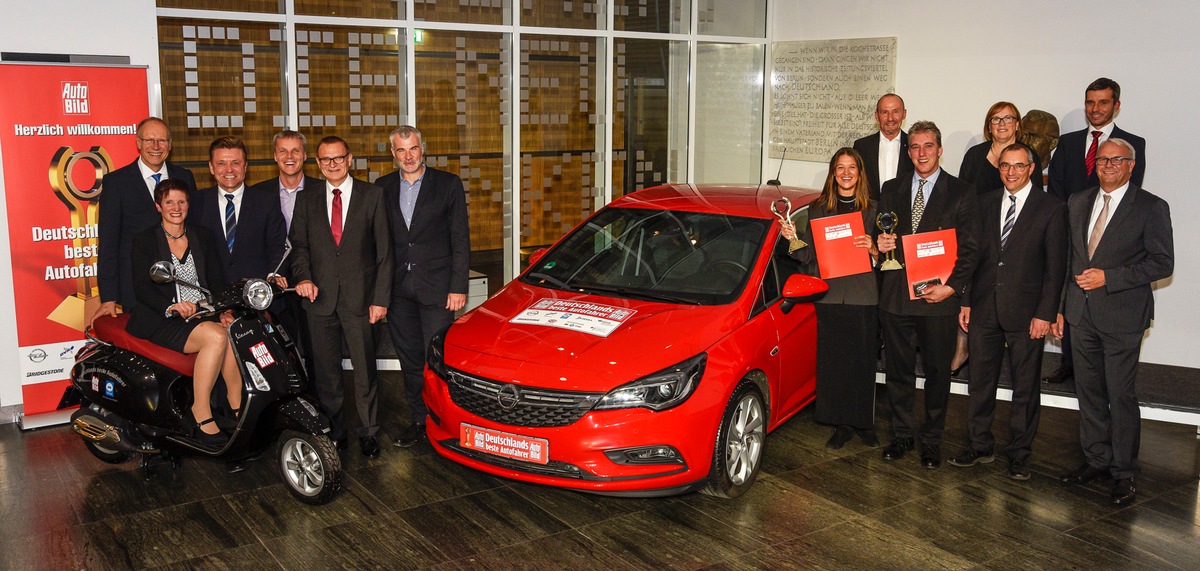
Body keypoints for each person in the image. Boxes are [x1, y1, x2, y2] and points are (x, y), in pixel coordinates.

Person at [1053, 138, 1173, 506]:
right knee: (1088, 393)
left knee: (1120, 396)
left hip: (1122, 316)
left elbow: (1161, 263)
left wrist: (1110, 277)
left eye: (1116, 159)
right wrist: (1060, 309)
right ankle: (1096, 459)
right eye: (1102, 159)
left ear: (1131, 165)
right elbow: (1070, 261)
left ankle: (1124, 472)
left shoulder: (1151, 206)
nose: (1108, 165)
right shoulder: (1078, 201)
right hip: (1080, 314)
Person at [948, 143, 1066, 480]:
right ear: (998, 169)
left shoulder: (1052, 208)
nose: (1011, 172)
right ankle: (978, 444)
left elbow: (1056, 268)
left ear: (1031, 169)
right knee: (979, 383)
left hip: (1028, 314)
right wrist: (967, 300)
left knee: (1025, 387)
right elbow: (973, 258)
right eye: (1004, 166)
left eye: (1018, 166)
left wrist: (1046, 313)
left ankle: (1019, 453)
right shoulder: (983, 204)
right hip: (983, 307)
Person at [874, 120, 980, 469]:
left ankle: (931, 440)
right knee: (898, 372)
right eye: (915, 147)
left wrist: (951, 288)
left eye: (928, 146)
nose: (921, 153)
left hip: (939, 299)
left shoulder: (962, 192)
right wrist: (881, 243)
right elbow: (882, 235)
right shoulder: (892, 188)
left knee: (937, 373)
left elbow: (971, 249)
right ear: (909, 151)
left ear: (939, 149)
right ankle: (902, 436)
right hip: (896, 297)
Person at [289, 136, 393, 458]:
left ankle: (369, 431)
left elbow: (384, 253)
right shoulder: (306, 200)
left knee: (364, 370)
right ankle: (334, 431)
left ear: (350, 159)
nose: (332, 164)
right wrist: (303, 277)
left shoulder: (372, 196)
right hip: (319, 300)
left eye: (338, 158)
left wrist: (381, 299)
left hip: (361, 299)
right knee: (327, 372)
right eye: (325, 160)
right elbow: (299, 247)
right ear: (317, 164)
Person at [1045, 78, 1147, 385]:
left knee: (1101, 300)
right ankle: (1069, 363)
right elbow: (1057, 187)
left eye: (1103, 102)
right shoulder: (1069, 141)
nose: (1095, 109)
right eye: (1090, 102)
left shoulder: (1133, 144)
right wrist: (1065, 225)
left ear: (1116, 106)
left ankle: (1100, 365)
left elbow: (1130, 191)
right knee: (1070, 294)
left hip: (1110, 236)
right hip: (1072, 230)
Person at [125, 178, 241, 446]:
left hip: (203, 313)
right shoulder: (144, 241)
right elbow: (141, 289)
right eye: (169, 202)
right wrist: (172, 306)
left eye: (181, 201)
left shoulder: (203, 235)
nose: (176, 207)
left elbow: (216, 281)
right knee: (215, 337)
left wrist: (224, 310)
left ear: (189, 204)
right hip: (163, 318)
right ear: (158, 206)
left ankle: (236, 409)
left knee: (233, 330)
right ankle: (200, 412)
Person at [376, 126, 471, 448]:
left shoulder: (448, 184)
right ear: (393, 153)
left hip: (438, 290)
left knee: (437, 360)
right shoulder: (382, 187)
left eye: (413, 149)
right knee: (410, 359)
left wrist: (458, 286)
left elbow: (460, 239)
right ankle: (419, 419)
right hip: (399, 290)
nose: (408, 156)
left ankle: (444, 421)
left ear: (422, 149)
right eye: (401, 150)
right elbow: (380, 244)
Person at [782, 148, 880, 449]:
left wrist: (873, 248)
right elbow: (809, 259)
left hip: (864, 294)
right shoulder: (818, 209)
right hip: (830, 296)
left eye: (852, 167)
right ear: (833, 173)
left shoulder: (875, 210)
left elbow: (889, 255)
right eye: (840, 168)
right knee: (835, 364)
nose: (846, 173)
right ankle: (840, 424)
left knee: (863, 363)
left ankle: (863, 422)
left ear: (860, 173)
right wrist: (792, 240)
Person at [94, 117, 196, 323]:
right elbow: (108, 243)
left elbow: (194, 232)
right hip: (135, 286)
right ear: (138, 143)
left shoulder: (185, 177)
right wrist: (109, 297)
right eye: (149, 140)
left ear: (170, 144)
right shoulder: (116, 183)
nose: (156, 147)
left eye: (162, 141)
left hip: (182, 285)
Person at [250, 130, 323, 376]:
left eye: (295, 151)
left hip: (314, 281)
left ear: (304, 155)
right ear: (274, 155)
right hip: (274, 284)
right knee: (279, 350)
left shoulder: (322, 191)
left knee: (317, 350)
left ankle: (316, 403)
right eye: (283, 151)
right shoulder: (258, 195)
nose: (289, 156)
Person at [191, 136, 286, 285]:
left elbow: (277, 246)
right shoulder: (196, 203)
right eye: (221, 163)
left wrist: (273, 275)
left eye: (236, 163)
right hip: (212, 296)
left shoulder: (266, 202)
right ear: (211, 167)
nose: (229, 169)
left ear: (245, 166)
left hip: (256, 296)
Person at [959, 101, 1043, 195]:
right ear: (989, 126)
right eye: (996, 119)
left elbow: (1037, 197)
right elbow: (962, 194)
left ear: (1017, 125)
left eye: (1008, 118)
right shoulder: (974, 154)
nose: (1002, 123)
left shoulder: (1029, 155)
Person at [853, 94, 914, 199]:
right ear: (877, 116)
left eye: (895, 112)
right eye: (885, 112)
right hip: (870, 211)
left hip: (904, 212)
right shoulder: (861, 147)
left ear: (904, 114)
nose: (890, 118)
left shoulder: (914, 145)